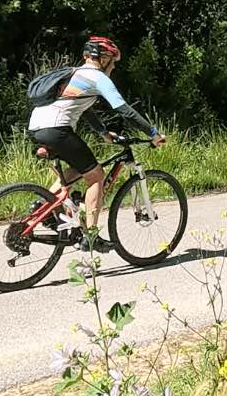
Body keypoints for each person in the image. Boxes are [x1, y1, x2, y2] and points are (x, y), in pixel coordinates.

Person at [28, 36, 165, 251]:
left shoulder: (75, 74)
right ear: (104, 59)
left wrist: (103, 132)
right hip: (57, 129)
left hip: (37, 128)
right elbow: (124, 110)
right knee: (96, 175)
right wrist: (153, 133)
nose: (113, 67)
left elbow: (84, 109)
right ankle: (90, 236)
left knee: (78, 169)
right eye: (113, 62)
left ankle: (45, 207)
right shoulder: (98, 78)